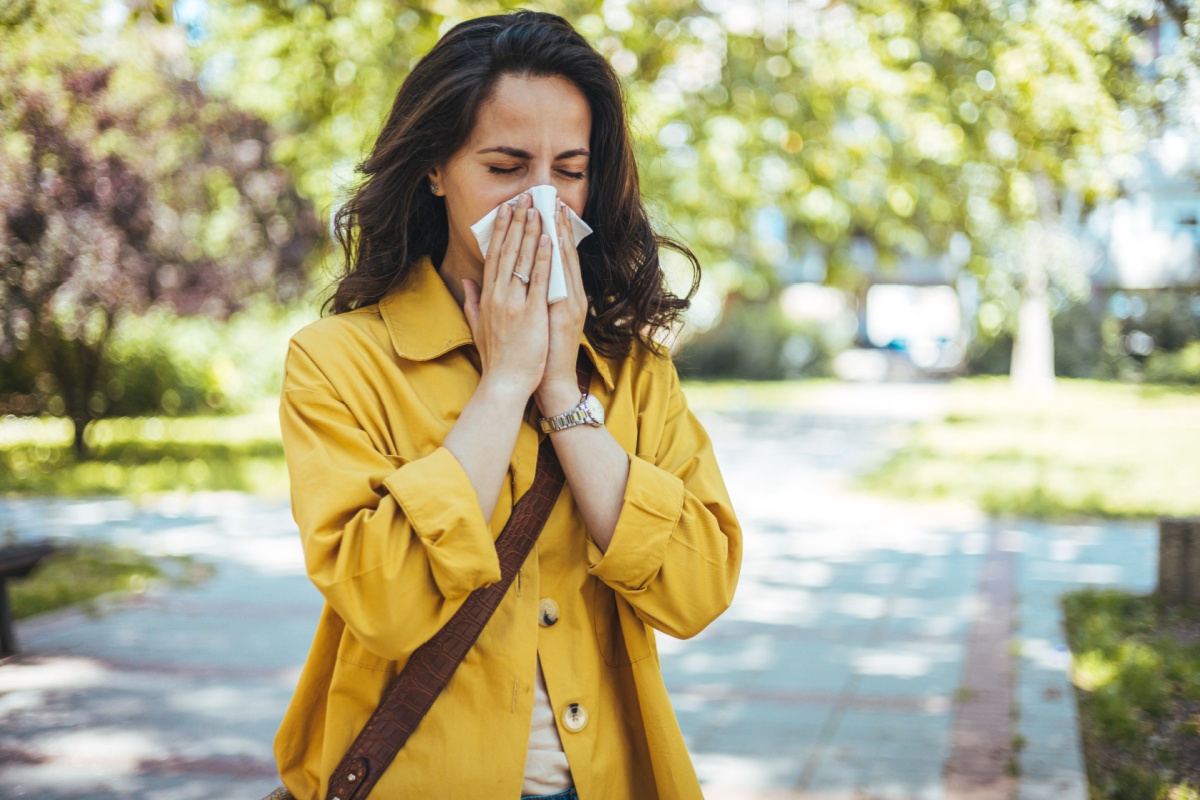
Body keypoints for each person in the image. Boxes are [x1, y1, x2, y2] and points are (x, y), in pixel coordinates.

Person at [274, 10, 742, 800]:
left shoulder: (631, 371)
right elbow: (383, 603)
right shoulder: (338, 362)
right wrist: (502, 385)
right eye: (505, 166)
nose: (541, 201)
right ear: (436, 168)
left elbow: (698, 590)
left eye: (569, 170)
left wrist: (560, 390)